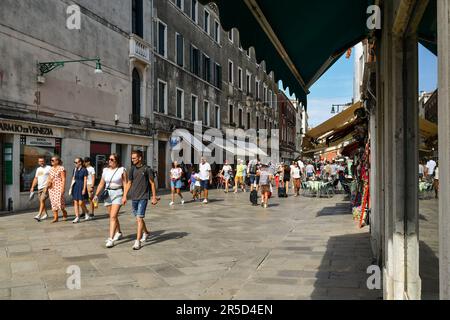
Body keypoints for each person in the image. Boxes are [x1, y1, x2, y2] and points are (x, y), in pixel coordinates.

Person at [123, 150, 159, 250]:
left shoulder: (147, 169)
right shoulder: (132, 169)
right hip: (134, 197)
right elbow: (129, 183)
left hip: (143, 197)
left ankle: (137, 241)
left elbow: (152, 183)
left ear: (140, 158)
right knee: (139, 218)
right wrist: (125, 195)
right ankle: (146, 232)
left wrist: (154, 197)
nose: (132, 159)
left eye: (134, 158)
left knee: (139, 218)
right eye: (132, 158)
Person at [94, 153, 128, 248]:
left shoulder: (122, 170)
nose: (109, 161)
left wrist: (125, 196)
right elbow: (101, 183)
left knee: (113, 216)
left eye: (112, 159)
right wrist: (96, 194)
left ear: (117, 161)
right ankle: (119, 232)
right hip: (108, 194)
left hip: (118, 193)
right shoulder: (105, 170)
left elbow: (125, 184)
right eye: (109, 159)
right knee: (113, 216)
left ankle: (110, 239)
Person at [47, 156, 68, 223]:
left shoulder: (61, 168)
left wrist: (63, 188)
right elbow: (49, 177)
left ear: (57, 161)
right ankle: (55, 217)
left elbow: (63, 179)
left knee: (59, 201)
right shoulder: (50, 169)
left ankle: (64, 212)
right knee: (53, 202)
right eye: (51, 160)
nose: (51, 161)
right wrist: (48, 183)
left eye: (53, 160)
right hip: (52, 188)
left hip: (59, 186)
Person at [30, 157, 51, 221]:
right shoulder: (38, 169)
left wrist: (47, 186)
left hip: (46, 187)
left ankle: (39, 215)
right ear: (38, 162)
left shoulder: (49, 168)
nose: (41, 162)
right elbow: (36, 178)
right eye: (40, 161)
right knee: (42, 201)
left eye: (42, 161)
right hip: (39, 187)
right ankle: (46, 214)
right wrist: (32, 187)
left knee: (42, 200)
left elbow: (51, 177)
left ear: (45, 161)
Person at [70, 157, 89, 223]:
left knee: (81, 202)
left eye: (76, 162)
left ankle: (86, 212)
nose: (75, 163)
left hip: (81, 186)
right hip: (75, 186)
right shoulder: (74, 170)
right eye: (74, 162)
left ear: (80, 162)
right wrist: (71, 187)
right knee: (75, 202)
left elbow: (85, 180)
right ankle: (77, 217)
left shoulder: (84, 170)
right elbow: (73, 178)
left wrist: (84, 189)